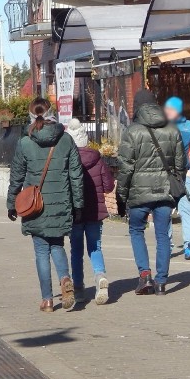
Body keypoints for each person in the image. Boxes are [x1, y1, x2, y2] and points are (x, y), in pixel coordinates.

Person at [7, 98, 84, 312]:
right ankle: (65, 277)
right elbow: (76, 176)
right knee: (57, 245)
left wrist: (11, 204)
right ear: (52, 113)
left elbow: (17, 176)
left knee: (41, 250)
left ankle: (48, 300)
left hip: (35, 206)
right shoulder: (66, 140)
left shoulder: (25, 142)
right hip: (60, 203)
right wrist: (78, 205)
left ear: (31, 115)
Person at [117, 90, 184, 296]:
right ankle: (162, 282)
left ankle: (145, 275)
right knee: (163, 235)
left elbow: (126, 167)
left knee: (137, 231)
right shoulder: (172, 130)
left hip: (139, 194)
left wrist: (121, 195)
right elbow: (180, 165)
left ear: (136, 107)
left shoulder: (132, 131)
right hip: (164, 193)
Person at [66, 118, 114, 305]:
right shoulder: (98, 159)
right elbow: (109, 186)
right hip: (95, 212)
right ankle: (100, 276)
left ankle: (78, 288)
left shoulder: (68, 161)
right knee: (95, 248)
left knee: (76, 251)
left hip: (76, 214)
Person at [164, 96, 190, 260]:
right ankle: (166, 246)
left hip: (183, 175)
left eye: (171, 109)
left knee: (187, 210)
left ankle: (189, 245)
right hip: (166, 175)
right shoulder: (162, 127)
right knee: (165, 211)